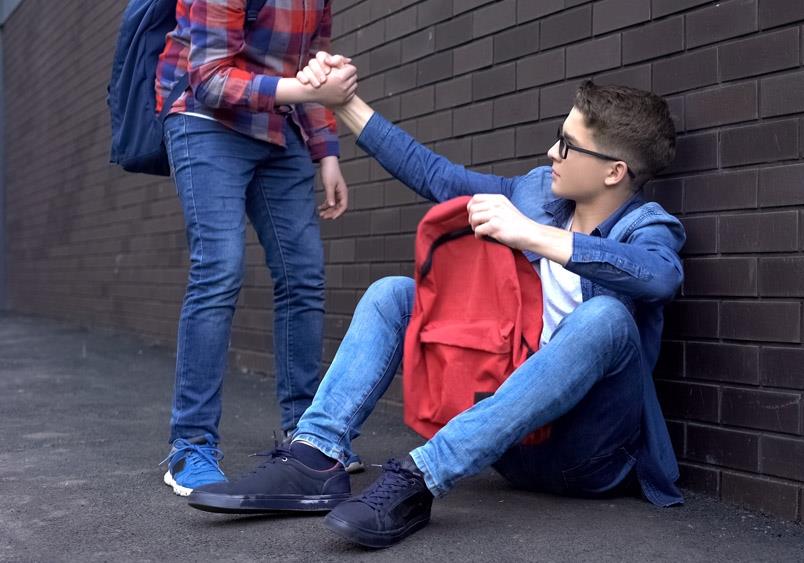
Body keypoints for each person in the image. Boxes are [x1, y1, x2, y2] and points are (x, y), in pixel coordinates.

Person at [186, 52, 687, 548]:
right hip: (508, 445)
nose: (552, 153)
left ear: (614, 171)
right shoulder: (538, 195)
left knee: (606, 317)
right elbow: (436, 176)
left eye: (568, 145)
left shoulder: (646, 225)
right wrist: (344, 102)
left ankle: (420, 477)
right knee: (395, 294)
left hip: (587, 458)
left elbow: (661, 276)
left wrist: (533, 237)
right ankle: (315, 457)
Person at [156, 1, 361, 496]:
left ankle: (308, 434)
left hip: (276, 127)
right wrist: (309, 89)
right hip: (205, 121)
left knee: (303, 275)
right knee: (220, 270)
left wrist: (326, 151)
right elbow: (208, 79)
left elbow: (313, 58)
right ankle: (191, 444)